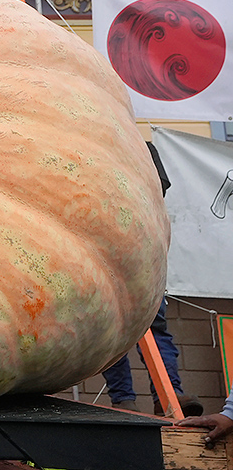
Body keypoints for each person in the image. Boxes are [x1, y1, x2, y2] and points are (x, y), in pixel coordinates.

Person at [101, 143, 202, 417]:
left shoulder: (123, 146)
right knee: (123, 329)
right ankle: (159, 395)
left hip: (124, 253)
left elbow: (158, 190)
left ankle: (135, 398)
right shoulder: (139, 147)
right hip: (131, 253)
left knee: (116, 329)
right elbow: (159, 190)